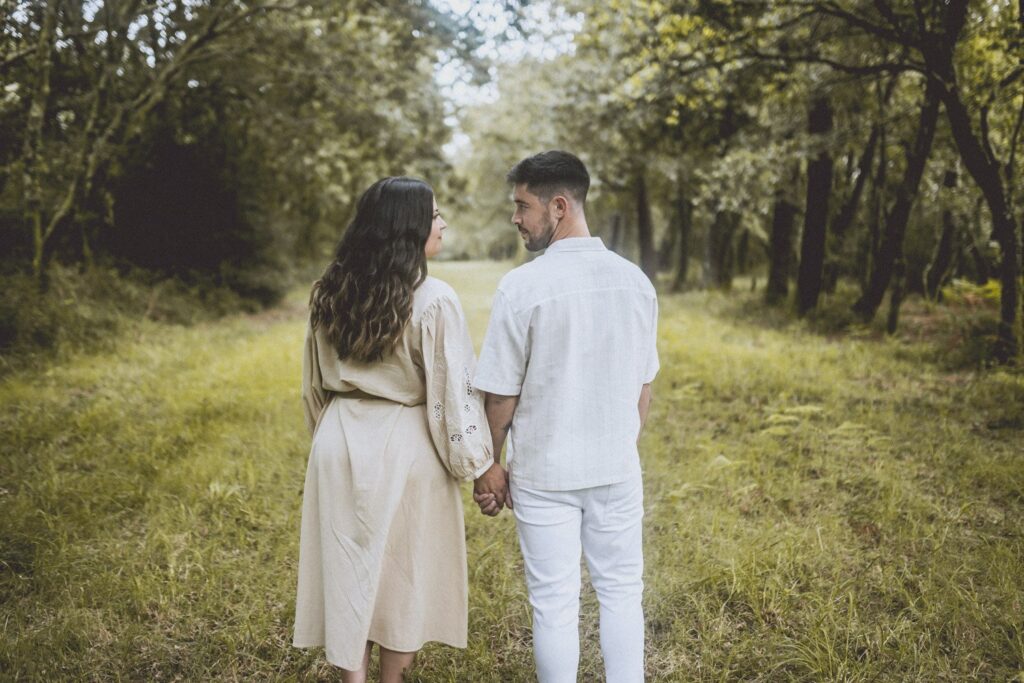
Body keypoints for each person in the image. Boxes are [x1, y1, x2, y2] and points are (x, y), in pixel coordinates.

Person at [292, 176, 506, 682]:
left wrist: (329, 438)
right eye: (435, 216)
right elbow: (454, 396)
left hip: (339, 437)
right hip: (407, 446)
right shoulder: (433, 299)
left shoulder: (329, 291)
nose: (443, 223)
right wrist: (481, 468)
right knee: (403, 572)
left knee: (348, 566)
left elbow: (312, 384)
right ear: (409, 227)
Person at [472, 151, 659, 683]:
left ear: (559, 205)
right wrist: (621, 443)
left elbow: (501, 396)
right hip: (616, 468)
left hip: (545, 475)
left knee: (554, 603)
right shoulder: (636, 282)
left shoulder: (522, 287)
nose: (516, 218)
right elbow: (643, 386)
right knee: (622, 591)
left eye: (522, 206)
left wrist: (490, 466)